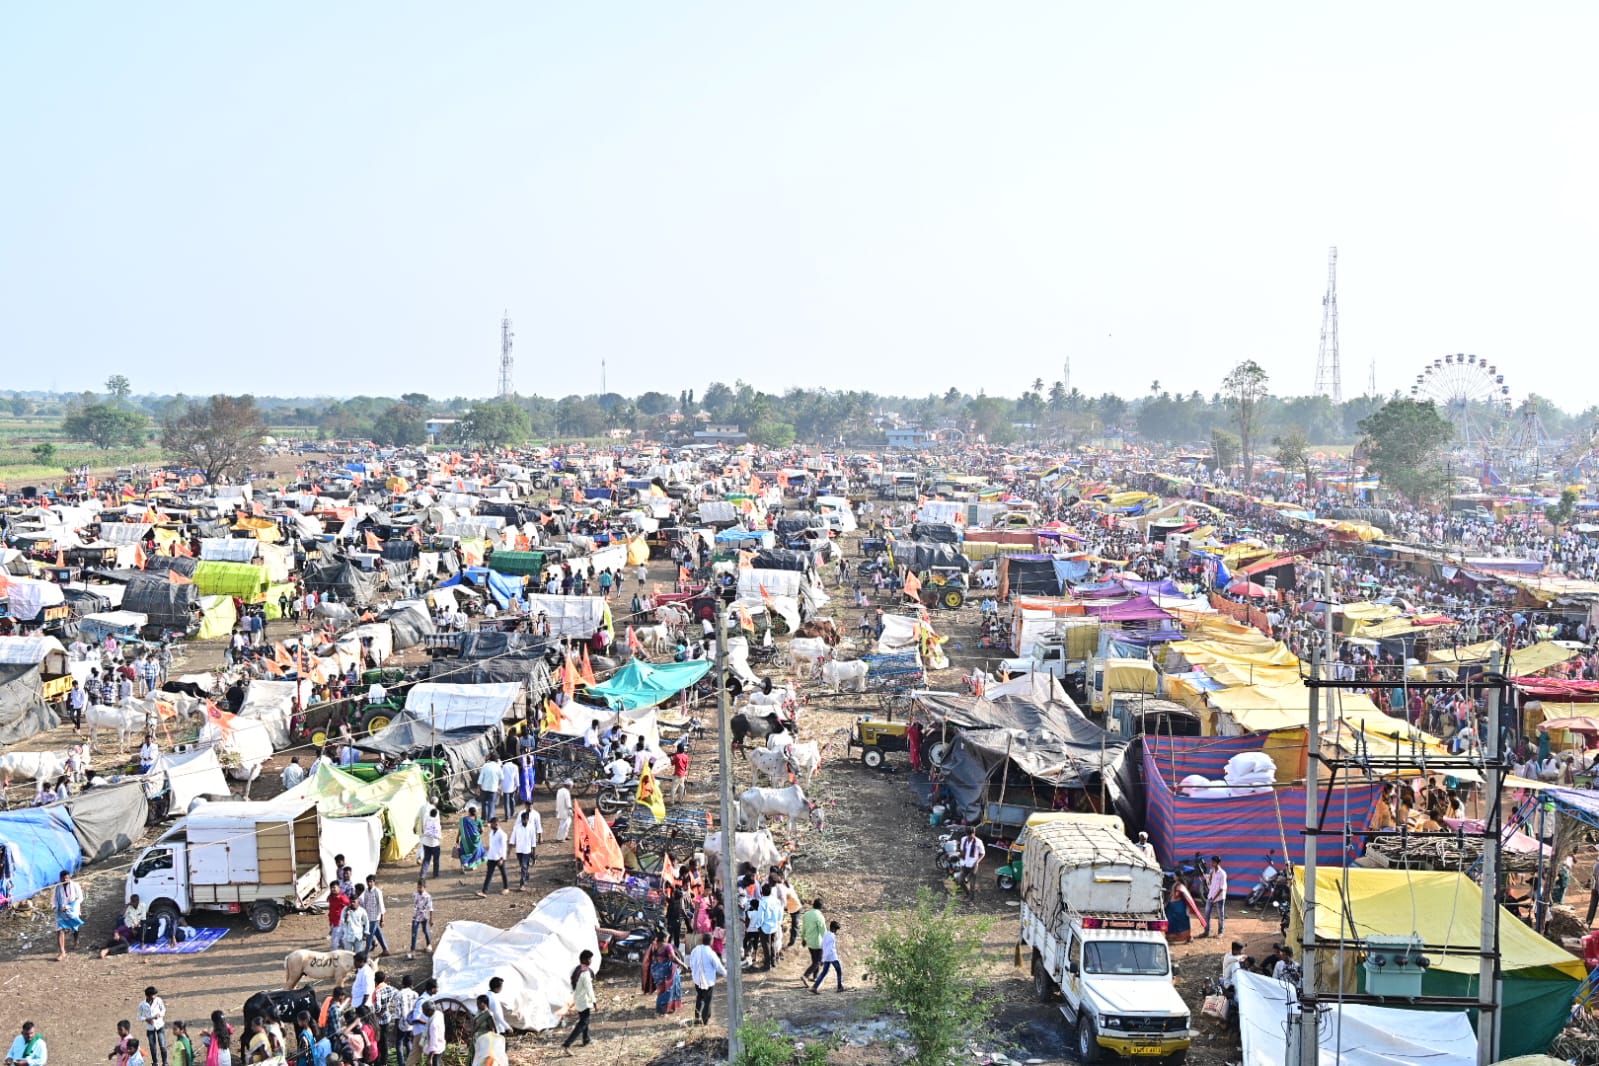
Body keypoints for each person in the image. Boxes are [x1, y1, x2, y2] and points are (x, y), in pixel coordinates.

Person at [562, 950, 596, 1053]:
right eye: (590, 959)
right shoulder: (585, 973)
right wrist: (594, 1002)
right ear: (586, 960)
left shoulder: (577, 969)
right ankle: (567, 1043)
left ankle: (586, 1039)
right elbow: (589, 989)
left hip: (577, 998)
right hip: (584, 1000)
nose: (591, 961)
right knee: (583, 1022)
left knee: (585, 1019)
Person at [687, 933, 725, 1026]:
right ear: (711, 942)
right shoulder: (711, 953)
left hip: (697, 979)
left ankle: (696, 1018)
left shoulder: (695, 950)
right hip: (708, 981)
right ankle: (705, 1021)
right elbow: (718, 966)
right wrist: (726, 974)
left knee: (699, 997)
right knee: (707, 1001)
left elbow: (691, 963)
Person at [54, 869, 84, 960]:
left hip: (73, 910)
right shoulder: (57, 887)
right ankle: (62, 952)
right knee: (60, 929)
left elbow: (80, 898)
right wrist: (55, 907)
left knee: (75, 927)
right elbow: (54, 899)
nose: (65, 879)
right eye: (63, 878)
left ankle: (76, 941)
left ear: (69, 877)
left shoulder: (75, 885)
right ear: (60, 878)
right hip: (61, 911)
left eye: (67, 877)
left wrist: (69, 907)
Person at [511, 808, 542, 891]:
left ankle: (522, 884)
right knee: (523, 865)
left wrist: (533, 853)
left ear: (527, 819)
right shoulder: (517, 827)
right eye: (523, 820)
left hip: (527, 850)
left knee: (524, 866)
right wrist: (510, 848)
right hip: (519, 850)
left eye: (525, 819)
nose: (524, 821)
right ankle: (526, 875)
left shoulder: (531, 828)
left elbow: (533, 841)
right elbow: (512, 839)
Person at [811, 919, 845, 993]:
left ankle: (815, 987)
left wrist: (823, 958)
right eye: (836, 929)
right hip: (832, 956)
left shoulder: (826, 934)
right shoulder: (832, 936)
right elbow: (829, 949)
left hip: (826, 957)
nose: (836, 931)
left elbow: (822, 945)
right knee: (839, 971)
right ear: (833, 928)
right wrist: (823, 959)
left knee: (824, 972)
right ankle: (839, 987)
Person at [477, 818, 509, 896]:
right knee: (489, 874)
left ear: (496, 824)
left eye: (491, 824)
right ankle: (484, 891)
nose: (490, 825)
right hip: (491, 856)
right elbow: (492, 846)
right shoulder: (491, 833)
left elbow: (504, 847)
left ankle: (506, 888)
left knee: (503, 873)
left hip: (499, 857)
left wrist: (502, 858)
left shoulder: (502, 834)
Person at [139, 987, 168, 1066]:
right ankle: (155, 1062)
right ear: (147, 996)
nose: (154, 997)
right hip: (150, 1027)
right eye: (153, 996)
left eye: (155, 995)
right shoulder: (142, 1005)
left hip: (160, 1025)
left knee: (162, 1045)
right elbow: (139, 1017)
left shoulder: (158, 1000)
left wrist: (160, 1015)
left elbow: (163, 1010)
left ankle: (165, 1062)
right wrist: (146, 1019)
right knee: (152, 1046)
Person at [359, 876, 388, 956]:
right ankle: (385, 949)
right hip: (368, 917)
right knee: (377, 933)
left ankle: (365, 954)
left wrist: (382, 919)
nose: (369, 883)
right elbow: (365, 903)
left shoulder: (377, 892)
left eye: (371, 881)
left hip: (375, 917)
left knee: (369, 935)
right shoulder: (366, 891)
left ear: (374, 882)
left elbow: (381, 906)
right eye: (368, 882)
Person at [801, 897, 827, 983]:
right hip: (818, 943)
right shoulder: (819, 917)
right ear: (821, 907)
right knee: (818, 962)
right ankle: (805, 975)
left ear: (813, 905)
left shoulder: (806, 914)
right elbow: (823, 931)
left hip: (809, 942)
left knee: (814, 961)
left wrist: (803, 938)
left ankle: (815, 977)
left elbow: (804, 928)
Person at [1203, 855, 1228, 937]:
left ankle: (1221, 932)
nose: (1212, 864)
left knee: (1220, 915)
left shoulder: (1222, 874)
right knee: (1206, 914)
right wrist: (1209, 877)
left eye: (1214, 862)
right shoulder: (1212, 871)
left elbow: (1222, 888)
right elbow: (1210, 882)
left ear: (1218, 863)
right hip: (1211, 895)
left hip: (1219, 897)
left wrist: (1215, 898)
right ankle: (1206, 931)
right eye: (1212, 862)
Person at [409, 879, 434, 960]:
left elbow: (430, 908)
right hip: (416, 916)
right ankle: (413, 950)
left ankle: (429, 944)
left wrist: (431, 919)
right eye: (418, 887)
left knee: (425, 930)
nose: (419, 889)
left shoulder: (428, 897)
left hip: (424, 916)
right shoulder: (415, 894)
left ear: (424, 887)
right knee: (414, 933)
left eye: (420, 888)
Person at [458, 806, 485, 872]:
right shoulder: (478, 820)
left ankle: (463, 867)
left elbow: (460, 830)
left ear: (469, 812)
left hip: (465, 841)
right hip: (476, 841)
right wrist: (477, 835)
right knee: (475, 853)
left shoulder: (463, 820)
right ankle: (472, 865)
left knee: (462, 853)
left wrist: (457, 838)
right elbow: (482, 830)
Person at [418, 808, 442, 879]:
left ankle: (422, 875)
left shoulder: (426, 821)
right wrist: (440, 838)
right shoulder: (437, 823)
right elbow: (438, 834)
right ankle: (435, 875)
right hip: (435, 844)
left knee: (426, 860)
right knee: (436, 860)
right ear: (436, 815)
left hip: (426, 843)